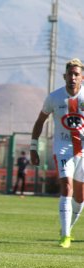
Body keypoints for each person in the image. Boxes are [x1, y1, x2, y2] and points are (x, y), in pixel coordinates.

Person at [30, 58, 84, 249]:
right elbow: (39, 122)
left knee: (80, 197)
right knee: (66, 187)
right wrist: (33, 147)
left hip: (83, 152)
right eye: (70, 74)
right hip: (63, 148)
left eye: (76, 74)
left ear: (82, 77)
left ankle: (66, 228)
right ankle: (66, 237)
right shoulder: (54, 98)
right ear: (64, 76)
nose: (73, 77)